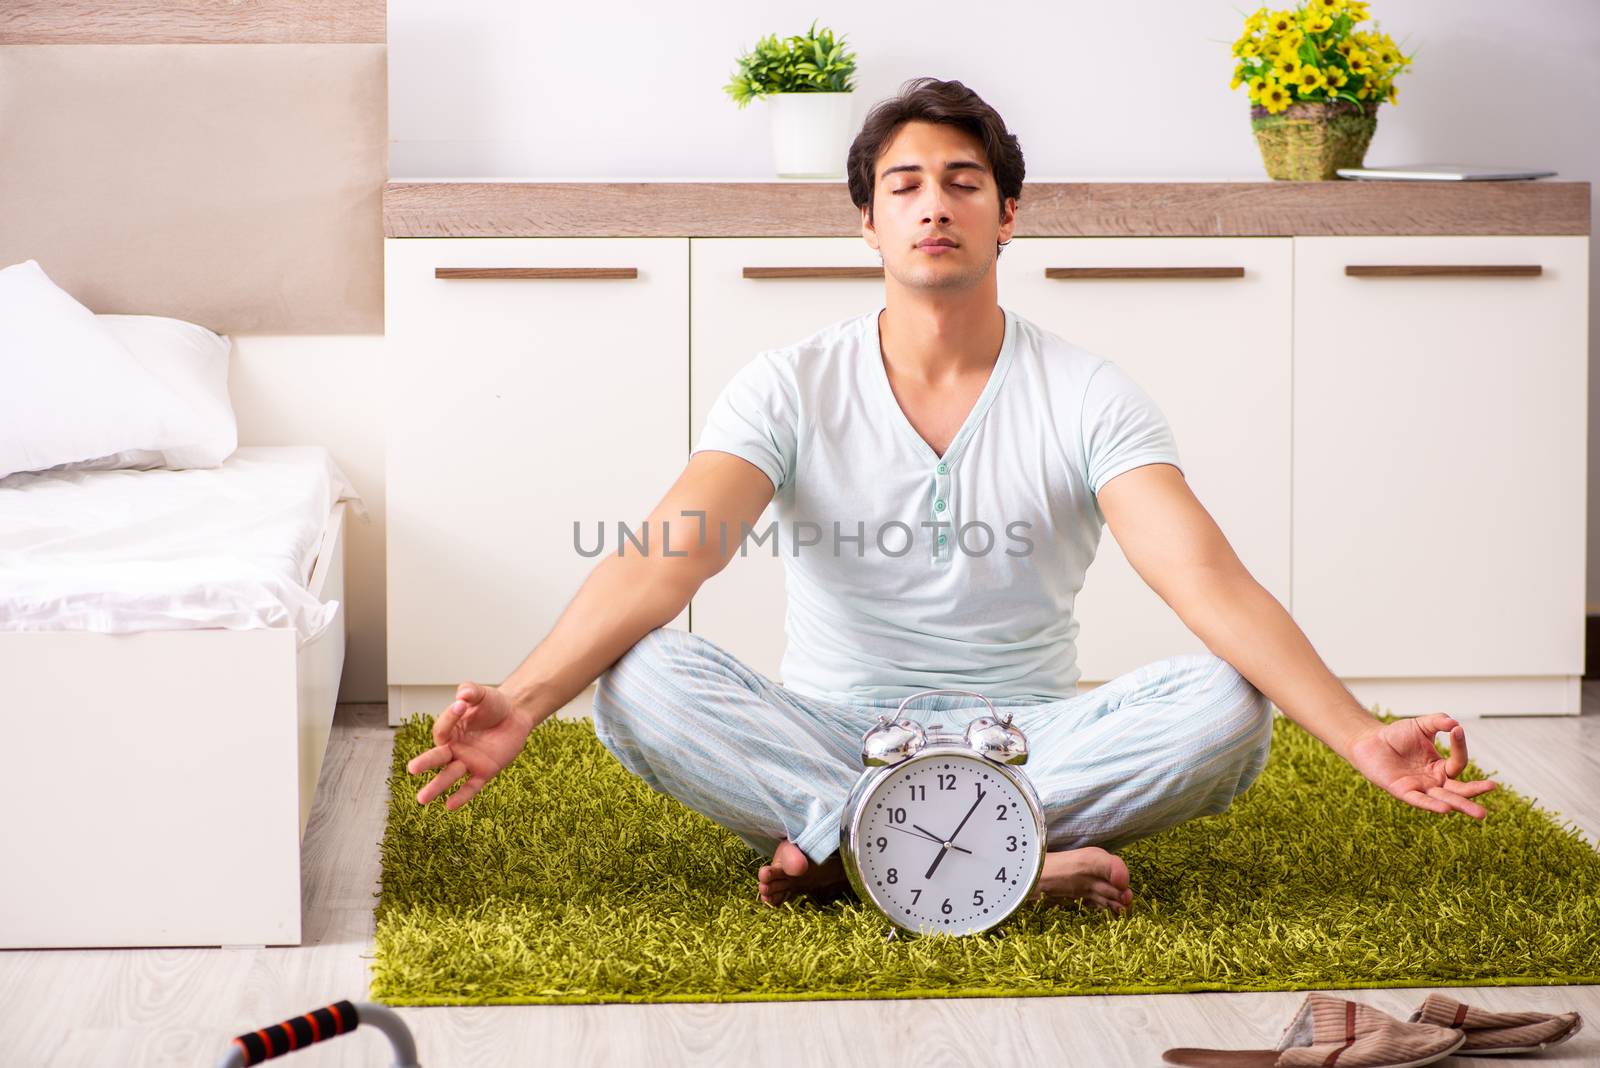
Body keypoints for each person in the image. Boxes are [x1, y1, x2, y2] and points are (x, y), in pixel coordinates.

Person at [405, 77, 1498, 914]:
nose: (935, 205)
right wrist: (527, 698)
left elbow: (1202, 577)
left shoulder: (1086, 392)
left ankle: (848, 850)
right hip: (834, 729)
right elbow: (664, 555)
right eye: (905, 186)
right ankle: (998, 862)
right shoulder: (789, 383)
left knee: (1225, 710)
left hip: (1024, 738)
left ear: (1007, 216)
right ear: (866, 225)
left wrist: (1356, 734)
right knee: (641, 680)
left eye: (964, 182)